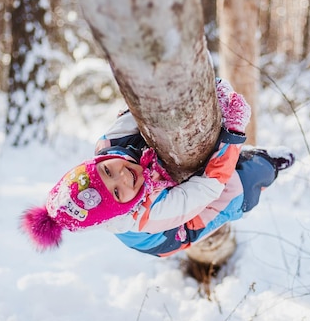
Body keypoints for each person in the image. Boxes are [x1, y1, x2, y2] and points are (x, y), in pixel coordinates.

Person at [21, 79, 294, 256]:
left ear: (97, 162)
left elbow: (140, 110)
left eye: (107, 171)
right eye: (117, 193)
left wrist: (195, 93)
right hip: (167, 235)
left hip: (152, 195)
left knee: (183, 145)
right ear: (120, 207)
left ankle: (226, 152)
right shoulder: (150, 214)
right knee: (238, 187)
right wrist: (232, 131)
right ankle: (268, 163)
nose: (122, 177)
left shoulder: (110, 144)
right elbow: (210, 186)